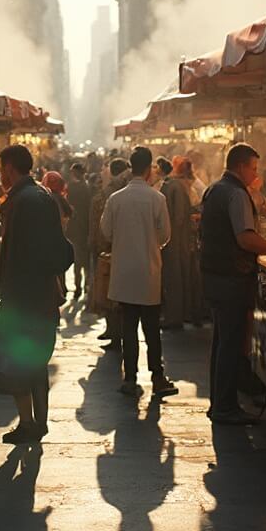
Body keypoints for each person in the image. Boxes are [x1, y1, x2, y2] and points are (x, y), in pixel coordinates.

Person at [200, 143, 266, 425]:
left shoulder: (215, 189)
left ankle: (219, 403)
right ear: (241, 166)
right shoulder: (236, 194)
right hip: (231, 278)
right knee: (229, 343)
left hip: (214, 276)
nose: (256, 172)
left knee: (221, 342)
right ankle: (225, 408)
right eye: (253, 167)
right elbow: (245, 240)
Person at [0, 144, 72, 443]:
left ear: (11, 168)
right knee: (35, 363)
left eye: (2, 170)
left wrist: (4, 295)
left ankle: (29, 423)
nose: (1, 175)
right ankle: (36, 422)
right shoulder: (42, 196)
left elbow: (16, 254)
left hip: (25, 297)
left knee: (20, 363)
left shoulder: (23, 201)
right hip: (40, 296)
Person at [100, 146, 177, 398]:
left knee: (128, 328)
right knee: (152, 329)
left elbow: (106, 232)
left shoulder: (116, 199)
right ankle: (157, 377)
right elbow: (165, 235)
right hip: (148, 272)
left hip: (123, 273)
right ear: (148, 168)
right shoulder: (157, 199)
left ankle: (130, 378)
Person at [89, 158, 130, 348]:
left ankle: (116, 334)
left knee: (112, 293)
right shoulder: (114, 189)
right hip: (111, 247)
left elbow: (104, 224)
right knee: (110, 292)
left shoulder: (113, 191)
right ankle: (114, 331)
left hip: (111, 248)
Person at [161, 157, 196, 330]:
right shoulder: (175, 186)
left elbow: (179, 217)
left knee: (174, 278)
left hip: (174, 240)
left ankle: (175, 317)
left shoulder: (173, 186)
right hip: (176, 239)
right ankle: (179, 315)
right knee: (177, 277)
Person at [65, 163, 92, 300]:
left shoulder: (72, 188)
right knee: (85, 261)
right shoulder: (88, 188)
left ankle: (78, 288)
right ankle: (86, 286)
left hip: (76, 229)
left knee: (78, 261)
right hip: (85, 228)